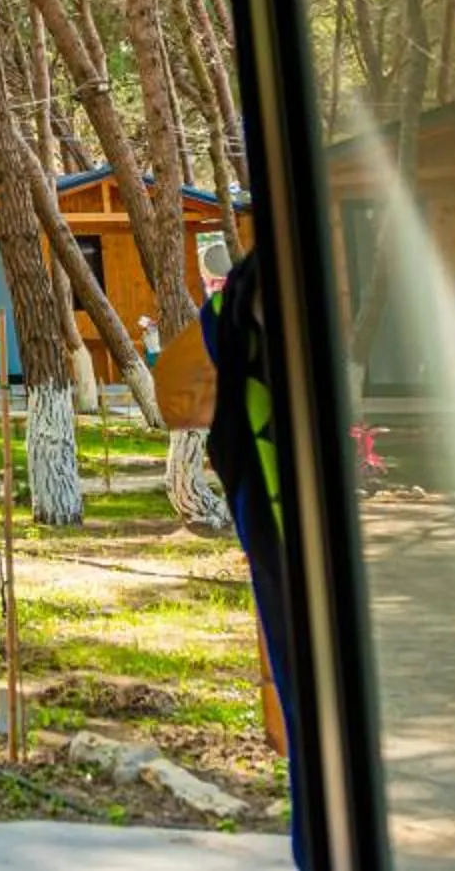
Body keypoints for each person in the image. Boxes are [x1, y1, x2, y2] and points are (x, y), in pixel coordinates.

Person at [155, 250, 302, 864]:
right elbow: (175, 396)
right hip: (289, 550)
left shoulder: (235, 304)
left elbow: (173, 395)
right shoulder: (244, 300)